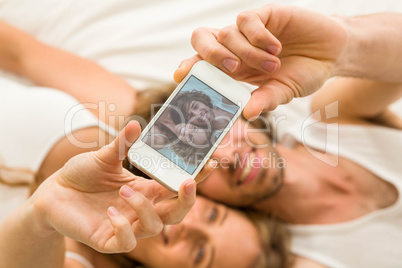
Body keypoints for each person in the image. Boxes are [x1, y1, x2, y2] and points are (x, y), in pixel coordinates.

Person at [0, 17, 294, 268]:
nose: (186, 226)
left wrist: (45, 212)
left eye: (200, 255)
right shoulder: (123, 122)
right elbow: (18, 52)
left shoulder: (83, 251)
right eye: (213, 214)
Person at [174, 4, 402, 268]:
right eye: (197, 162)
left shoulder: (333, 117)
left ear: (242, 116)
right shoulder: (311, 261)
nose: (227, 156)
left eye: (214, 131)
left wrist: (343, 48)